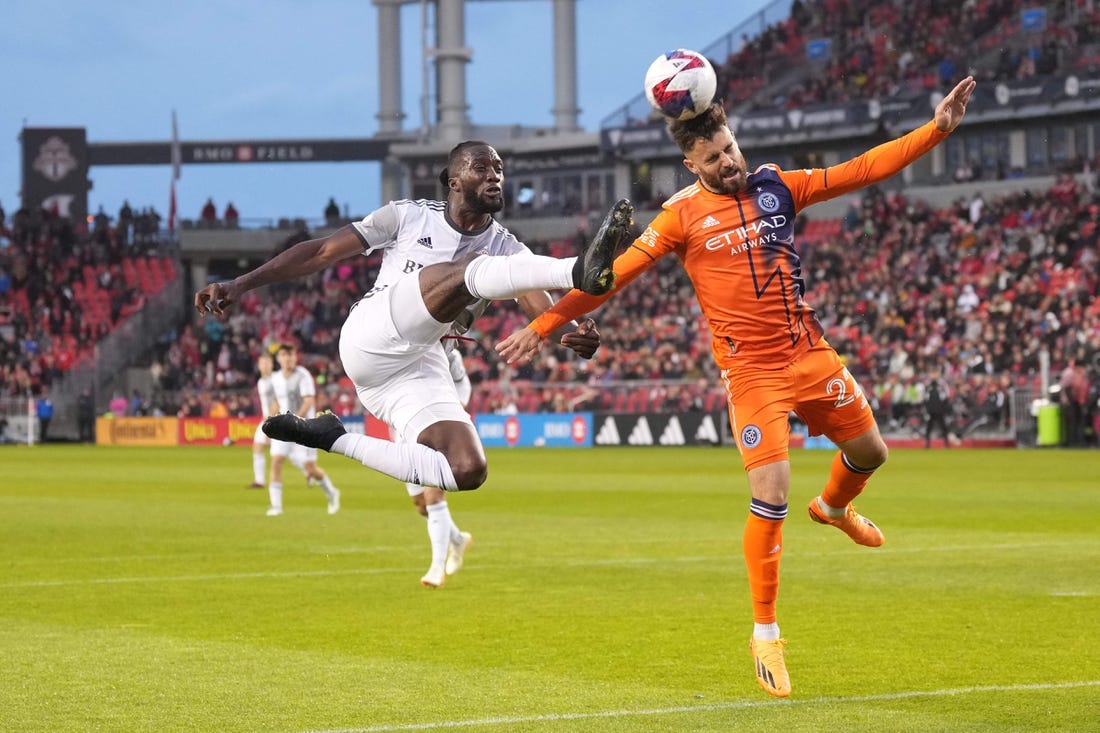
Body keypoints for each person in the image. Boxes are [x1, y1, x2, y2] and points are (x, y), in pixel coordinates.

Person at [496, 77, 977, 698]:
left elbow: (860, 169)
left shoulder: (778, 184)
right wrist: (544, 322)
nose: (728, 163)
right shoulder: (679, 217)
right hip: (751, 375)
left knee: (871, 454)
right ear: (689, 164)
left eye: (730, 149)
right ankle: (766, 632)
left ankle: (831, 508)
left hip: (810, 354)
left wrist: (936, 129)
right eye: (714, 158)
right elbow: (612, 277)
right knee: (771, 492)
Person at [195, 140, 627, 500]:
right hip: (372, 339)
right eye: (482, 168)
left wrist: (571, 334)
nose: (495, 176)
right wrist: (242, 283)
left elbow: (539, 305)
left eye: (499, 168)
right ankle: (576, 269)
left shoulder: (506, 247)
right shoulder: (406, 216)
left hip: (420, 365)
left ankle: (330, 437)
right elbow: (321, 253)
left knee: (466, 469)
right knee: (462, 273)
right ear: (454, 181)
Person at [407, 345, 475, 588]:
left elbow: (462, 382)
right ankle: (457, 539)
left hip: (438, 425)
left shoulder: (448, 352)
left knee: (434, 496)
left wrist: (456, 408)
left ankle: (436, 569)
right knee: (421, 505)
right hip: (404, 428)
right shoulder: (397, 345)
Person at [266, 343, 341, 516]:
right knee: (276, 461)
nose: (288, 358)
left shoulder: (303, 375)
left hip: (305, 427)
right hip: (284, 428)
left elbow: (308, 401)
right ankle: (276, 506)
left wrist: (295, 420)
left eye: (290, 354)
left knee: (310, 468)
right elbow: (276, 402)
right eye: (284, 355)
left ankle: (332, 493)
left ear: (295, 357)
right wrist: (270, 422)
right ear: (279, 358)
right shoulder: (276, 378)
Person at [249, 351, 277, 488]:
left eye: (267, 362)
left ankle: (310, 471)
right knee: (257, 447)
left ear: (272, 364)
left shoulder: (275, 380)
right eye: (262, 363)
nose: (265, 365)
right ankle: (259, 481)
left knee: (290, 453)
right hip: (266, 419)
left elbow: (277, 402)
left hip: (276, 420)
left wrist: (269, 420)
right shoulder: (261, 382)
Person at [924, 369, 953, 448]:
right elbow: (925, 398)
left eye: (934, 373)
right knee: (928, 427)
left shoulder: (942, 384)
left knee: (943, 426)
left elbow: (946, 396)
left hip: (940, 409)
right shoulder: (927, 385)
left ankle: (946, 443)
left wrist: (944, 408)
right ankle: (927, 443)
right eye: (931, 373)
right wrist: (927, 409)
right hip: (931, 410)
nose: (933, 375)